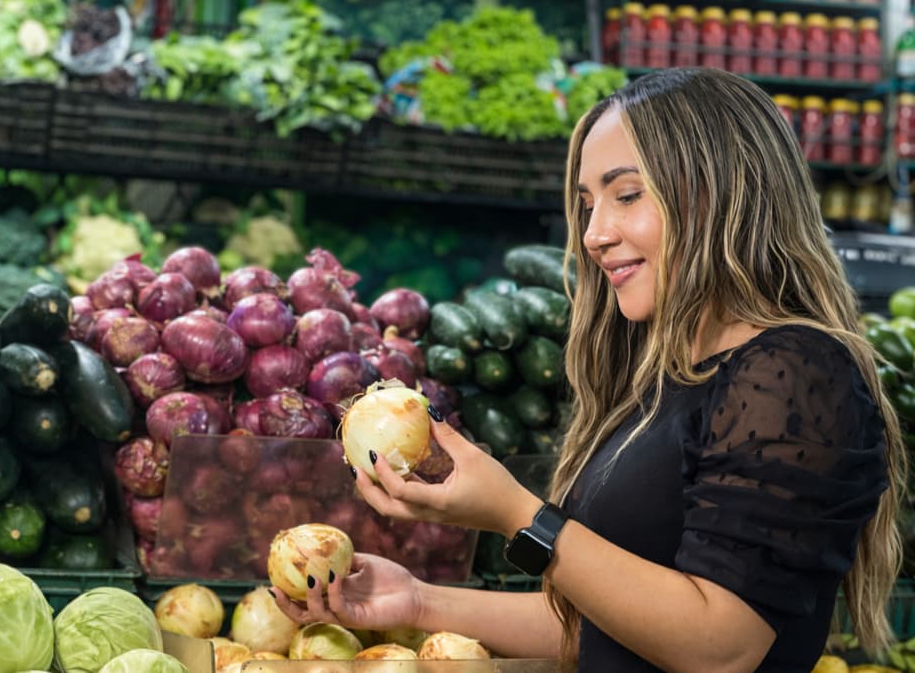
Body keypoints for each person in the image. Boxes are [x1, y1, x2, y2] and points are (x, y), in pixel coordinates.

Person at [270, 67, 908, 672]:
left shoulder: (794, 372)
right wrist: (420, 603)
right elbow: (618, 628)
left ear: (722, 195)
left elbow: (721, 648)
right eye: (587, 204)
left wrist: (515, 513)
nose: (595, 233)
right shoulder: (666, 382)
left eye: (626, 195)